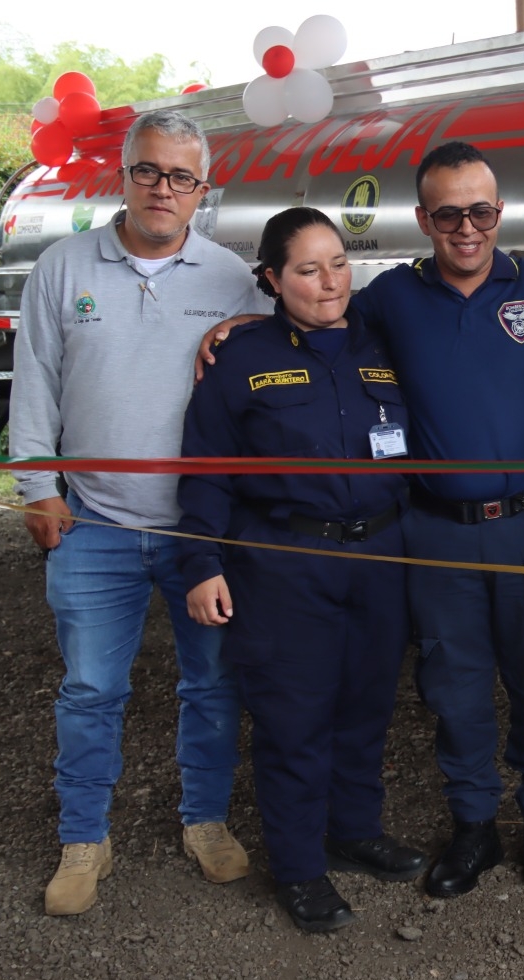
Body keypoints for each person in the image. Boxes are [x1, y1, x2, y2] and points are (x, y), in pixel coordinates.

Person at [197, 141, 524, 899]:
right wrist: (242, 326)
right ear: (424, 219)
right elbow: (317, 314)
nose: (467, 228)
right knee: (454, 685)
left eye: (481, 212)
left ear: (500, 213)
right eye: (448, 214)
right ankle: (474, 823)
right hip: (435, 530)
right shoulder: (391, 298)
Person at [10, 109, 270, 916]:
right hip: (95, 523)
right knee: (90, 689)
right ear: (122, 176)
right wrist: (38, 487)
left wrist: (249, 325)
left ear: (203, 190)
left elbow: (268, 376)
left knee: (213, 684)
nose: (164, 188)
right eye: (148, 171)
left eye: (181, 176)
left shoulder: (230, 278)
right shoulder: (63, 267)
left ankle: (205, 821)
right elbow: (35, 378)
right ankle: (84, 838)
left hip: (201, 533)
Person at [175, 207, 425, 933]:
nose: (329, 282)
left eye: (338, 264)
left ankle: (354, 830)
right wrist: (200, 562)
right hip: (287, 566)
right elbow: (206, 470)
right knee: (295, 718)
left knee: (367, 705)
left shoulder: (382, 343)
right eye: (308, 270)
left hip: (380, 559)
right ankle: (299, 867)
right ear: (272, 280)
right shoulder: (241, 359)